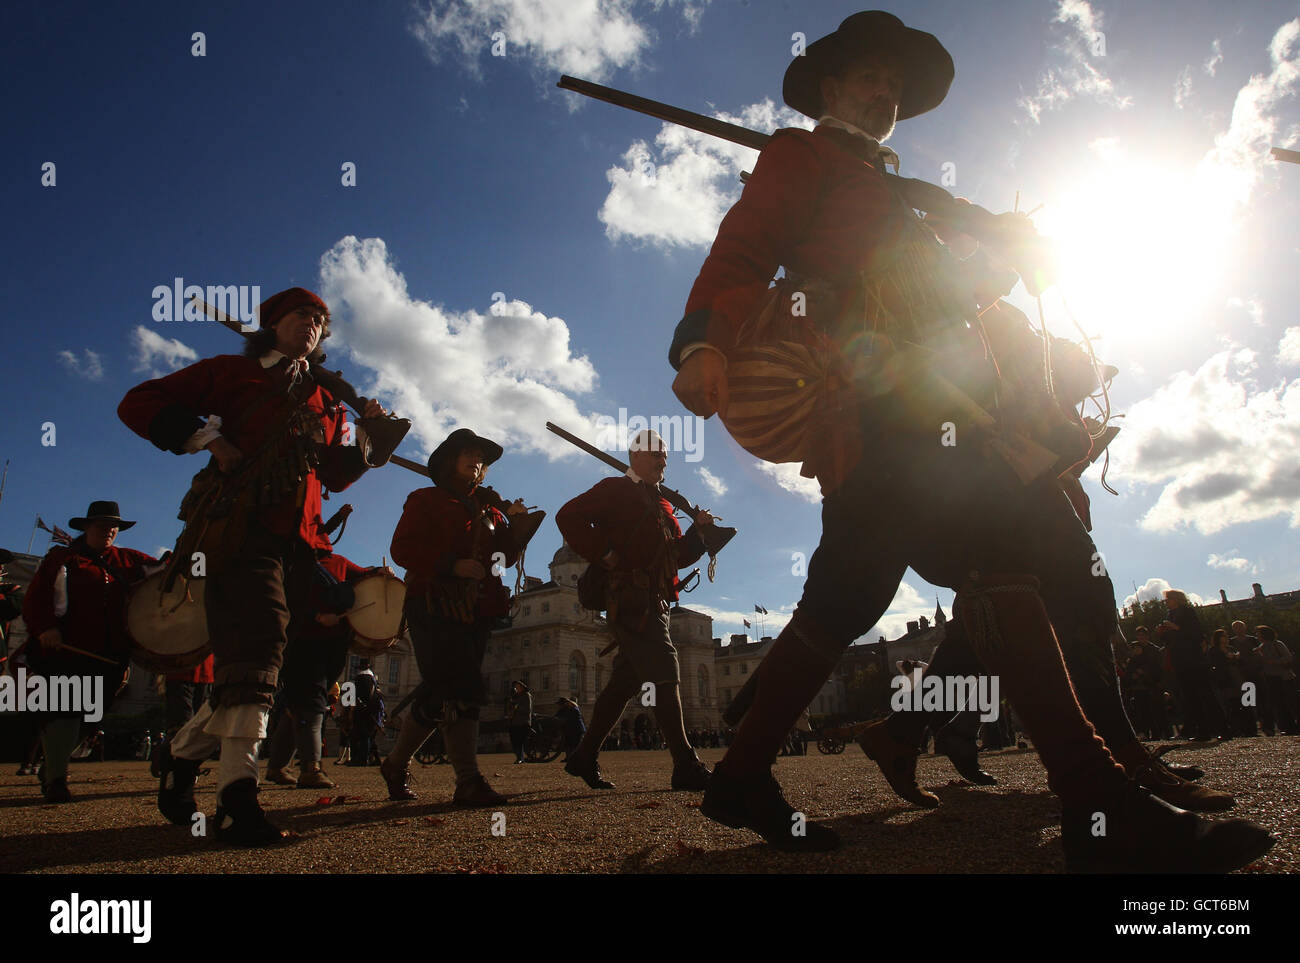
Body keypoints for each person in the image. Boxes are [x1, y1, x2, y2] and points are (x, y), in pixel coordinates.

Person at [667, 11, 1273, 870]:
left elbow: (971, 251)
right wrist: (704, 342)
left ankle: (740, 774)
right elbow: (740, 253)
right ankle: (1100, 804)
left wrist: (1016, 242)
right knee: (1023, 548)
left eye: (894, 85)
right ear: (831, 88)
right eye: (868, 78)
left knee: (852, 594)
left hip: (931, 405)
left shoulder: (904, 191)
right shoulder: (798, 159)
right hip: (878, 401)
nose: (885, 93)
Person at [119, 286, 384, 844]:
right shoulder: (229, 372)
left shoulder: (325, 399)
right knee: (261, 649)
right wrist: (210, 440)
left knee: (252, 666)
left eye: (320, 320)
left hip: (299, 544)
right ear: (272, 324)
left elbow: (331, 478)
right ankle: (238, 797)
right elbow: (138, 401)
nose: (311, 325)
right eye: (300, 315)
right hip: (237, 530)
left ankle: (180, 753)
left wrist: (369, 441)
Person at [555, 428, 714, 792]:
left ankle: (582, 756)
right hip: (628, 597)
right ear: (635, 457)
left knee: (624, 683)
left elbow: (677, 557)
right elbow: (568, 516)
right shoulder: (615, 489)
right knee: (664, 666)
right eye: (655, 455)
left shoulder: (662, 505)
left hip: (656, 599)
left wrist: (700, 534)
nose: (662, 461)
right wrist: (605, 553)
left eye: (665, 457)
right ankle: (685, 764)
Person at [377, 428, 527, 806]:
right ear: (449, 460)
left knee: (438, 691)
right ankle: (468, 781)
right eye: (468, 454)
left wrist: (518, 530)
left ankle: (394, 763)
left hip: (478, 609)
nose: (476, 462)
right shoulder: (426, 499)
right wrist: (451, 565)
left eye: (481, 458)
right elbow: (402, 548)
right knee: (463, 687)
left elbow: (500, 562)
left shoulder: (491, 510)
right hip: (432, 602)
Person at [20, 501, 155, 802]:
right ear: (86, 528)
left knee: (91, 718)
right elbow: (36, 597)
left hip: (110, 657)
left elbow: (165, 568)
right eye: (101, 525)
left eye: (113, 526)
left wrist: (196, 556)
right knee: (65, 712)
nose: (109, 531)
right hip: (66, 653)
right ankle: (56, 779)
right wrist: (46, 628)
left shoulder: (128, 559)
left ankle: (52, 764)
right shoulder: (62, 558)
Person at [265, 548, 380, 788]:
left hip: (334, 643)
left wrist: (381, 571)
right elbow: (280, 599)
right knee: (312, 701)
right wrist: (315, 616)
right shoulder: (292, 564)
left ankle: (276, 766)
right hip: (302, 640)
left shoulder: (338, 560)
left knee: (297, 706)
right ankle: (311, 768)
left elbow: (363, 574)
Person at [1160, 590, 1229, 742]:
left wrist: (1175, 627)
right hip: (1180, 661)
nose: (1166, 602)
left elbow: (1196, 633)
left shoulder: (1187, 612)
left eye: (1168, 599)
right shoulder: (1170, 615)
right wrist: (1164, 632)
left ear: (1176, 599)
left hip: (1194, 659)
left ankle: (1224, 729)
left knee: (1206, 694)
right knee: (1191, 698)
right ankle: (1202, 731)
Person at [1256, 625, 1298, 735]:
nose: (1257, 636)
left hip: (1283, 677)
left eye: (1258, 633)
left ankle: (1294, 725)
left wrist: (1273, 662)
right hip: (1271, 678)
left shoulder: (1277, 644)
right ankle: (1286, 726)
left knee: (1290, 702)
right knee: (1279, 703)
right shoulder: (1261, 647)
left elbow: (1288, 657)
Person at [507, 681, 533, 764]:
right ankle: (519, 757)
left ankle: (520, 758)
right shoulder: (515, 696)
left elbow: (528, 709)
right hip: (514, 722)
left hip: (523, 722)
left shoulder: (526, 695)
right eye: (515, 687)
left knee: (520, 741)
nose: (516, 688)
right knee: (514, 741)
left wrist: (516, 708)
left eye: (518, 687)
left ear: (522, 687)